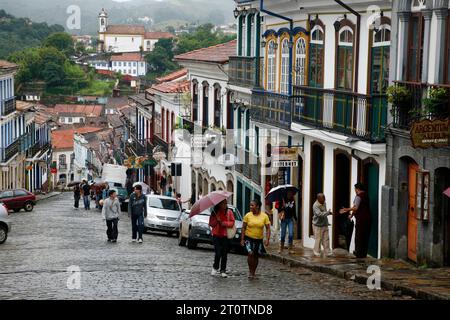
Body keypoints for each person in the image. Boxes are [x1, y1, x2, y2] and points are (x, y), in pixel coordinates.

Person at [340, 183, 372, 258]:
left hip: (361, 219)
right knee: (365, 236)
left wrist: (346, 209)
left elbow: (355, 208)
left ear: (357, 189)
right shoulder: (366, 195)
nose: (354, 190)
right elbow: (356, 208)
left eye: (355, 189)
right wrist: (352, 215)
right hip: (368, 219)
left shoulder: (358, 196)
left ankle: (359, 253)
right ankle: (363, 253)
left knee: (359, 236)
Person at [241, 199, 271, 279]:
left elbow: (268, 228)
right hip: (249, 238)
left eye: (252, 205)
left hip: (258, 239)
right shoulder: (247, 215)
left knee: (256, 255)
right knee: (250, 253)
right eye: (250, 205)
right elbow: (243, 228)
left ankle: (253, 271)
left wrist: (267, 239)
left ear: (257, 206)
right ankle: (250, 271)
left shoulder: (264, 216)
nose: (250, 207)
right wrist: (242, 239)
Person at [209, 199, 235, 278]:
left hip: (225, 235)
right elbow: (211, 224)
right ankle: (215, 267)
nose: (225, 205)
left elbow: (232, 222)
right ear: (219, 204)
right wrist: (217, 221)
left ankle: (223, 270)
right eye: (223, 203)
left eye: (226, 203)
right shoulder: (214, 212)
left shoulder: (229, 212)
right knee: (218, 252)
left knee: (224, 253)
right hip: (216, 235)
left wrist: (223, 223)